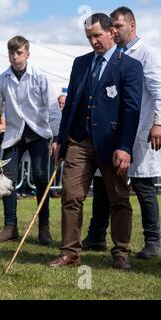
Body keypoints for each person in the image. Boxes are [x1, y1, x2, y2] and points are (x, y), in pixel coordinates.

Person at [47, 13, 143, 270]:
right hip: (79, 139)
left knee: (119, 198)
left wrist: (124, 146)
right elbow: (71, 107)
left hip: (112, 144)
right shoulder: (80, 63)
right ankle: (70, 252)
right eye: (89, 37)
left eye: (97, 35)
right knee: (71, 195)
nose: (93, 41)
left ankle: (121, 252)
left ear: (112, 32)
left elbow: (132, 110)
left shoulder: (130, 66)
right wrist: (60, 138)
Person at [82, 7, 161, 259]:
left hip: (141, 129)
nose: (114, 30)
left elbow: (159, 91)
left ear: (132, 25)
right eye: (112, 26)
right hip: (110, 132)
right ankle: (96, 235)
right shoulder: (110, 56)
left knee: (142, 184)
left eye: (119, 25)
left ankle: (153, 240)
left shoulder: (147, 54)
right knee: (104, 182)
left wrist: (158, 123)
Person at [0, 35, 61, 245]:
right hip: (13, 135)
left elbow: (53, 109)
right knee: (7, 180)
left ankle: (44, 228)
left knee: (42, 178)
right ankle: (10, 227)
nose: (15, 57)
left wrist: (57, 137)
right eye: (11, 53)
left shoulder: (40, 77)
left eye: (19, 53)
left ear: (27, 54)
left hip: (39, 133)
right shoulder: (2, 79)